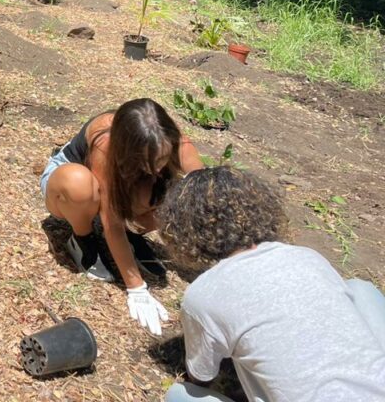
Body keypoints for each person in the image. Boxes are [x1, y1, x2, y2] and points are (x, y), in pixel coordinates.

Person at [160, 167, 385, 402]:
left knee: (179, 396)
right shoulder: (307, 256)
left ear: (183, 232)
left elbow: (201, 374)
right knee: (360, 289)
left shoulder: (202, 295)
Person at [39, 98, 204, 336]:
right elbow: (111, 224)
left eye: (163, 158)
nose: (159, 168)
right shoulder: (104, 147)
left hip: (125, 180)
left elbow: (202, 194)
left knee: (177, 193)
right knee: (80, 186)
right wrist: (137, 288)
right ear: (130, 151)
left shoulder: (172, 139)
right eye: (152, 162)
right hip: (67, 187)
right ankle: (83, 240)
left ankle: (134, 234)